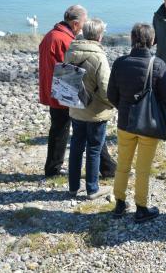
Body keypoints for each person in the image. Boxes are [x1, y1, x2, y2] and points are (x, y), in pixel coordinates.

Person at [107, 23, 166, 222]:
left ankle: (119, 203)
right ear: (152, 41)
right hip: (149, 124)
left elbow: (111, 95)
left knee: (123, 165)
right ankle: (141, 207)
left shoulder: (120, 63)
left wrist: (124, 107)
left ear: (132, 39)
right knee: (143, 169)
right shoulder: (158, 64)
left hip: (125, 122)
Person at [64, 18, 115, 199]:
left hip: (76, 107)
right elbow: (105, 87)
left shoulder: (70, 51)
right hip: (95, 111)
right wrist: (112, 104)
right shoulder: (98, 56)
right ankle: (92, 189)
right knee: (94, 148)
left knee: (76, 147)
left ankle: (73, 186)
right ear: (99, 36)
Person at [38, 5, 86, 178]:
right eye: (82, 23)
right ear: (74, 24)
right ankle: (53, 169)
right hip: (62, 93)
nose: (83, 27)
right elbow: (73, 67)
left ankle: (52, 168)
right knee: (76, 129)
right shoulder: (64, 40)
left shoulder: (51, 35)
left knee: (58, 129)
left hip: (52, 90)